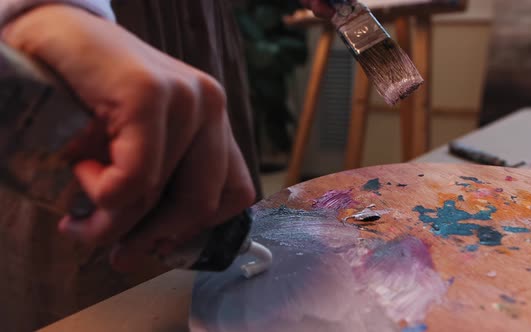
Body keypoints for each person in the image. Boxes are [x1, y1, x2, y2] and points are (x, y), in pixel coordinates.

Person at [0, 0, 333, 330]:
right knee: (107, 292)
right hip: (103, 35)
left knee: (210, 211)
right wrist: (42, 13)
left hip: (198, 25)